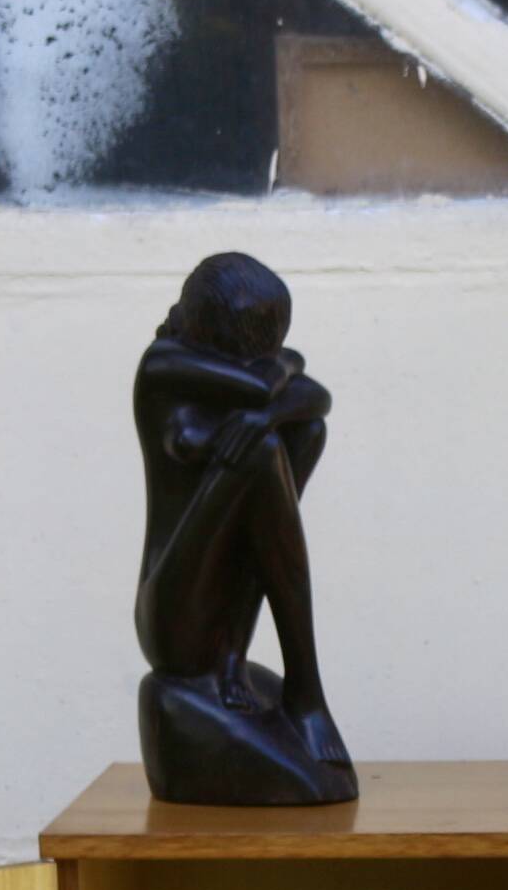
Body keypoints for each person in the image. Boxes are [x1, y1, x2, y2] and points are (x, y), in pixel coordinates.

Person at [132, 252, 358, 804]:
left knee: (301, 437)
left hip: (225, 618)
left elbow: (314, 400)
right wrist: (283, 373)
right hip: (171, 618)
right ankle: (306, 691)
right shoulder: (162, 364)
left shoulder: (223, 371)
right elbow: (270, 387)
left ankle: (261, 670)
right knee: (259, 449)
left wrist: (274, 397)